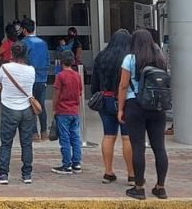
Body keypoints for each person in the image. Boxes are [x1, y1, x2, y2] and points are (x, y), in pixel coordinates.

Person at [117, 29, 169, 200]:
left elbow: (123, 85)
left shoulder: (130, 59)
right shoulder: (160, 58)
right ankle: (160, 187)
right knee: (159, 147)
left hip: (135, 105)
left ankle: (139, 187)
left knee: (138, 146)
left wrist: (120, 109)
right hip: (157, 107)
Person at [90, 29, 134, 184]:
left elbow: (94, 83)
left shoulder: (102, 56)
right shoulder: (129, 58)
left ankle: (108, 172)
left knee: (108, 136)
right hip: (125, 100)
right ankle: (131, 174)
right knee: (127, 138)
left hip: (105, 99)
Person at [0, 42, 37, 184]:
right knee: (27, 143)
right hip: (27, 110)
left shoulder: (5, 68)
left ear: (12, 53)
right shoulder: (31, 70)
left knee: (6, 143)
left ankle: (3, 174)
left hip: (9, 109)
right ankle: (27, 175)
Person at [53, 50, 83, 175]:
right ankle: (77, 163)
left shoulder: (60, 76)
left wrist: (54, 108)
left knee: (64, 138)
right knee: (75, 137)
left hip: (63, 110)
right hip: (74, 110)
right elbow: (80, 92)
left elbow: (56, 94)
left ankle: (66, 164)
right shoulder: (77, 75)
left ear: (61, 62)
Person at [20, 18, 50, 141]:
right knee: (41, 105)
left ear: (24, 30)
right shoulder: (43, 43)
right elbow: (47, 59)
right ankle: (44, 131)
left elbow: (22, 61)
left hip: (28, 78)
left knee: (30, 105)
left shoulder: (23, 43)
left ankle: (34, 133)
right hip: (42, 78)